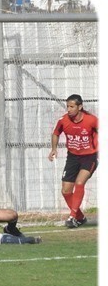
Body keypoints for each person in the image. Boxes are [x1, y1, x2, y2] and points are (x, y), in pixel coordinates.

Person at [48, 94, 98, 229]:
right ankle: (80, 217)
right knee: (66, 191)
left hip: (89, 157)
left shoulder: (91, 120)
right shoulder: (63, 120)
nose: (69, 109)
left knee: (79, 183)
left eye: (72, 106)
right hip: (72, 157)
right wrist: (54, 149)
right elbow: (56, 133)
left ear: (80, 107)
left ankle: (72, 216)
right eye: (67, 106)